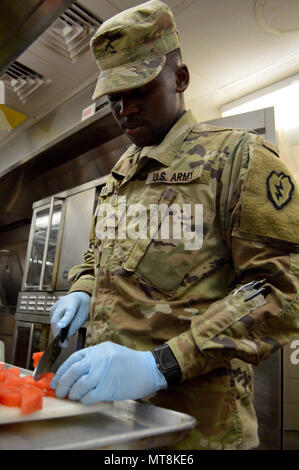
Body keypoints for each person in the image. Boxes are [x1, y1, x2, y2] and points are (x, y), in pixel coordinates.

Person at [49, 0, 299, 450]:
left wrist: (159, 365)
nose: (124, 109)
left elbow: (282, 290)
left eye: (138, 90)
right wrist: (82, 289)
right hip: (114, 423)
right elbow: (99, 255)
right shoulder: (119, 176)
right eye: (113, 98)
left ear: (179, 79)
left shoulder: (238, 159)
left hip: (196, 431)